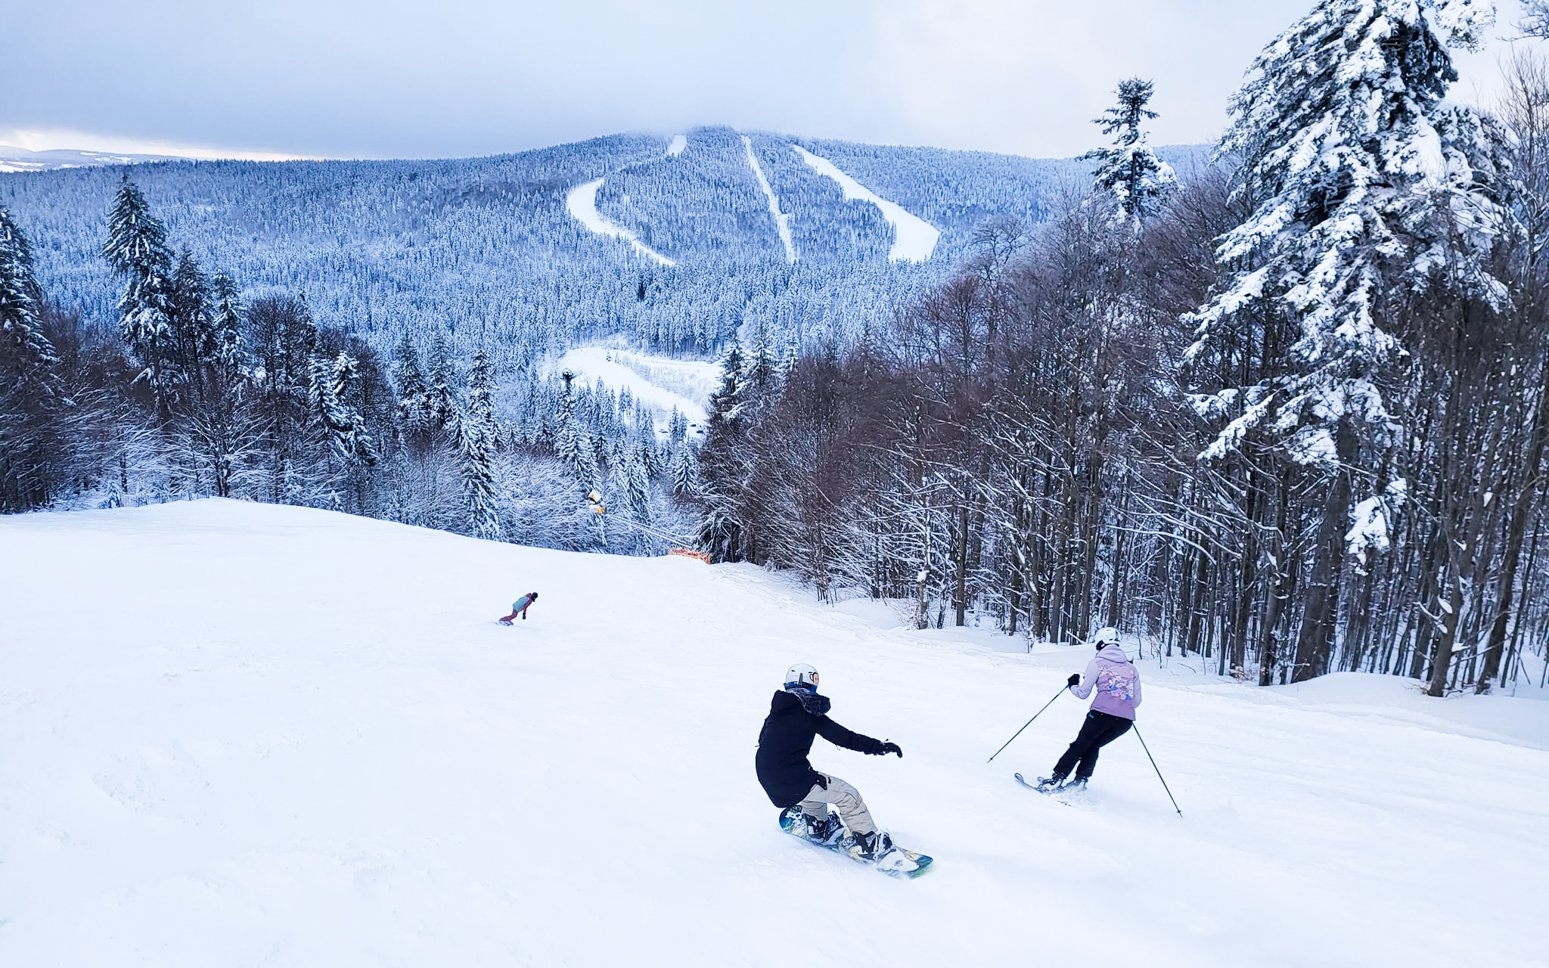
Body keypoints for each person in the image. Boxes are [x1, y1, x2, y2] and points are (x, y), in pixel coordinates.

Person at [755, 662, 903, 859]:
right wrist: (880, 747)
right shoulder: (808, 713)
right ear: (810, 683)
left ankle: (818, 825)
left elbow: (763, 740)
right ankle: (869, 843)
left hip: (769, 777)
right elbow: (846, 738)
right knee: (848, 795)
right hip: (790, 779)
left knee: (811, 783)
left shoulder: (779, 709)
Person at [1036, 626, 1142, 792]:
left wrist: (1072, 685)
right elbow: (1136, 701)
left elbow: (1083, 693)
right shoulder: (1132, 668)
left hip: (1100, 715)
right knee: (1093, 746)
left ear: (1101, 643)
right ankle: (1080, 782)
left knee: (1079, 745)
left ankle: (1057, 779)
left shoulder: (1097, 663)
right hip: (1125, 721)